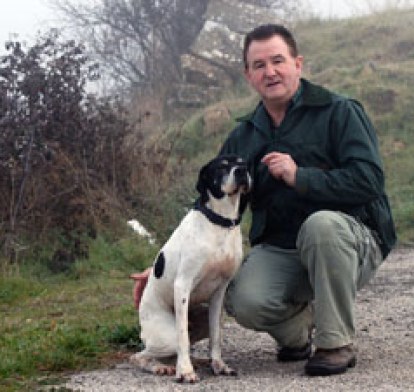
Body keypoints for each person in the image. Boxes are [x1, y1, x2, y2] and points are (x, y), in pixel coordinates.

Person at [133, 23, 396, 377]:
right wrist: (166, 263)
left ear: (298, 64)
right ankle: (298, 332)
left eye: (278, 60)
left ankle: (335, 343)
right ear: (248, 75)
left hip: (349, 241)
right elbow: (210, 204)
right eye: (259, 65)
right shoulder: (243, 135)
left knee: (321, 226)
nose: (270, 72)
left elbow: (370, 180)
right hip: (283, 247)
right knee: (243, 299)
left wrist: (300, 176)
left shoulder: (340, 111)